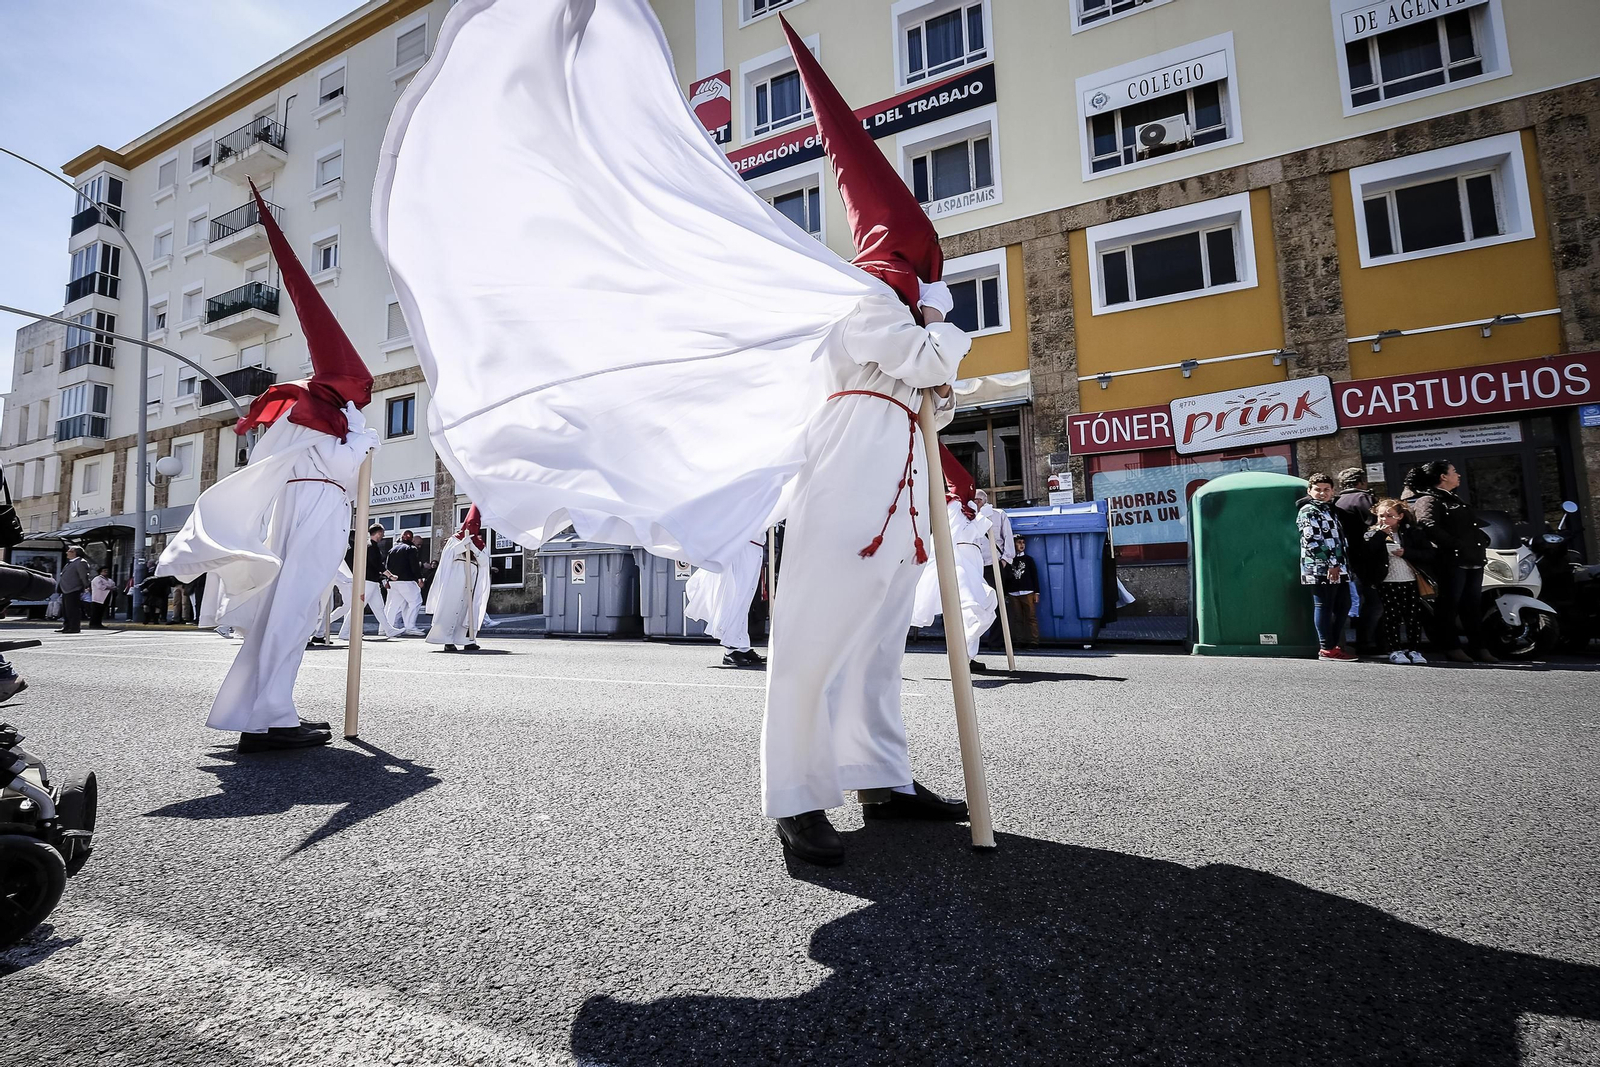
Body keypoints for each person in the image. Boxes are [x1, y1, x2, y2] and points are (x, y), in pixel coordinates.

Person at [376, 4, 972, 870]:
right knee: (813, 636)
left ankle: (881, 773)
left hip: (899, 482)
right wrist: (937, 338)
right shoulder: (865, 298)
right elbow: (917, 359)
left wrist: (937, 364)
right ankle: (797, 798)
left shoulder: (900, 308)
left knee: (879, 639)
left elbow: (936, 397)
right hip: (849, 480)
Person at [157, 180, 379, 753]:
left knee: (297, 612)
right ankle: (269, 714)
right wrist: (359, 438)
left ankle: (268, 709)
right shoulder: (318, 416)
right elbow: (341, 466)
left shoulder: (315, 413)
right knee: (294, 610)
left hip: (313, 508)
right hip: (315, 510)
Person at [912, 448, 998, 674]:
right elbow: (957, 536)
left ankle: (967, 657)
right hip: (959, 564)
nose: (977, 501)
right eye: (975, 497)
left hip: (971, 562)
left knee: (979, 606)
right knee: (975, 606)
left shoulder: (968, 510)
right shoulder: (954, 508)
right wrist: (983, 517)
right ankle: (961, 655)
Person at [1408, 460, 1496, 664]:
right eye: (1454, 471)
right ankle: (1451, 646)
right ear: (1443, 477)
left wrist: (1481, 539)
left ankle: (1479, 647)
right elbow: (1427, 524)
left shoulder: (1453, 498)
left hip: (1472, 559)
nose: (1458, 475)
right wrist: (1455, 544)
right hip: (1451, 560)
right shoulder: (1429, 499)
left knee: (1473, 606)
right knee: (1449, 605)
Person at [1366, 498, 1435, 665]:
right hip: (1387, 581)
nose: (1384, 519)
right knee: (1392, 616)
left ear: (1400, 516)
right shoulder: (1372, 533)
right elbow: (1366, 553)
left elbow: (1428, 553)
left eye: (1389, 516)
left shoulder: (1412, 532)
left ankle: (1414, 650)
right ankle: (1395, 649)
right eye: (1381, 515)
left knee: (1413, 616)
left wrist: (1406, 552)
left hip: (1410, 579)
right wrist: (1381, 535)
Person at [1297, 473, 1355, 661]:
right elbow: (1311, 540)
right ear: (1310, 491)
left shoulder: (1330, 509)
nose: (1322, 493)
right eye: (1318, 490)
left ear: (1332, 490)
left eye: (1326, 490)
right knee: (1323, 604)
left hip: (1339, 566)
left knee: (1344, 604)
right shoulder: (1308, 510)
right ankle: (1326, 647)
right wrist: (1331, 563)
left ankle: (1333, 643)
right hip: (1320, 567)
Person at [685, 539, 768, 669]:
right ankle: (731, 649)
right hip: (744, 544)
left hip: (754, 545)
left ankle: (742, 646)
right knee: (737, 597)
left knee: (745, 600)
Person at [1334, 467, 1384, 655]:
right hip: (1367, 559)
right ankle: (1367, 641)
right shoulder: (1365, 499)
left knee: (1357, 601)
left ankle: (1366, 641)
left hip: (1347, 558)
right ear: (1361, 482)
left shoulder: (1337, 501)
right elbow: (1375, 528)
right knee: (1375, 603)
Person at [426, 506, 491, 651]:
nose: (472, 528)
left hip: (472, 579)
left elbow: (485, 562)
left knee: (467, 611)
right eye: (470, 525)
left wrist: (474, 548)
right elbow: (449, 555)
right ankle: (447, 640)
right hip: (455, 579)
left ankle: (467, 640)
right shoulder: (455, 539)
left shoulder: (480, 544)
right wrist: (463, 545)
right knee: (451, 607)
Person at [349, 524, 397, 641]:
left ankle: (389, 629)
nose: (383, 536)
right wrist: (389, 575)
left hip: (372, 581)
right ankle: (346, 632)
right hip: (368, 581)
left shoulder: (369, 545)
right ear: (379, 533)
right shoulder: (371, 546)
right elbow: (376, 564)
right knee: (358, 607)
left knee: (379, 608)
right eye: (382, 533)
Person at [384, 529, 426, 635]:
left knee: (393, 605)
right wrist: (419, 578)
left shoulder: (392, 549)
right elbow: (414, 565)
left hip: (394, 581)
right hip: (406, 580)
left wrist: (386, 579)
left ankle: (387, 628)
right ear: (412, 539)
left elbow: (386, 564)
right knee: (416, 601)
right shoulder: (411, 549)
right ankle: (410, 627)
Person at [1006, 534, 1041, 647]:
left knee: (1031, 617)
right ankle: (1019, 640)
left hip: (1028, 591)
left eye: (1023, 542)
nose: (1021, 545)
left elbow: (1035, 576)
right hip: (1013, 592)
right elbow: (1006, 577)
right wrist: (1006, 592)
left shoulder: (1029, 560)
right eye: (1019, 542)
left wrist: (1036, 592)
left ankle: (1033, 641)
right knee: (1017, 618)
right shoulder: (1009, 560)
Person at [54, 547, 91, 635]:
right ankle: (67, 626)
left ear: (75, 553)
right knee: (66, 610)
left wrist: (86, 586)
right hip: (65, 589)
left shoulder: (81, 562)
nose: (67, 552)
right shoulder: (70, 563)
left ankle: (74, 627)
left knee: (72, 609)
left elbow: (83, 576)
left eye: (70, 551)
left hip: (74, 589)